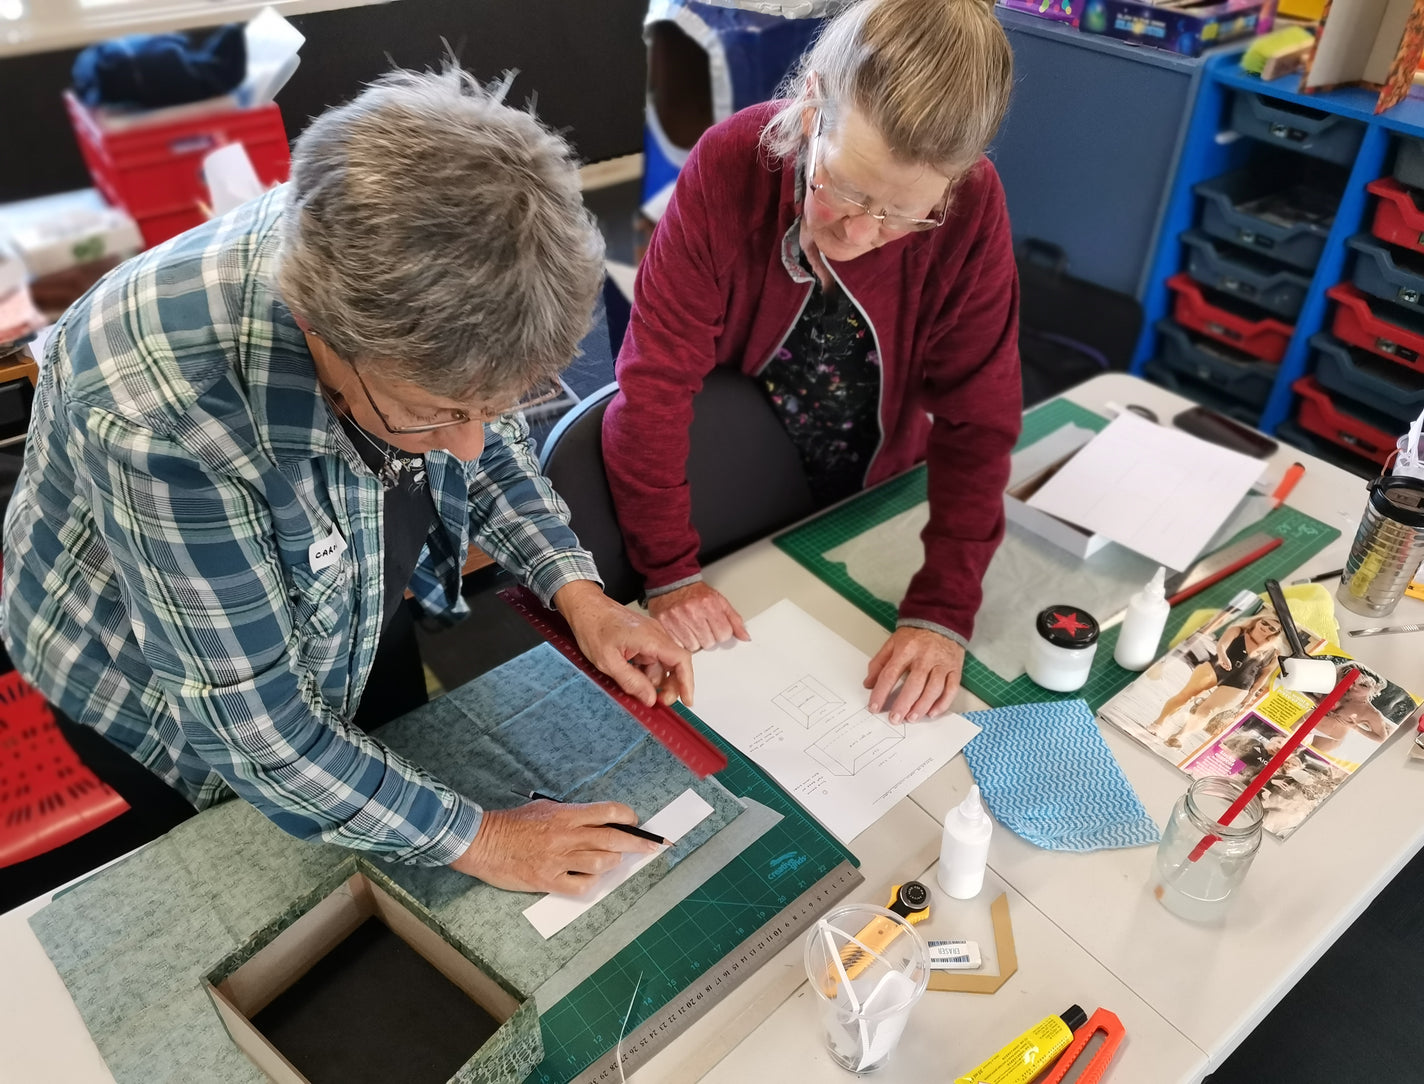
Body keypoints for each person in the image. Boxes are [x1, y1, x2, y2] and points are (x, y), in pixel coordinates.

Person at [0, 67, 693, 898]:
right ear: (319, 326)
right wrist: (482, 839)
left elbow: (480, 439)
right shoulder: (160, 410)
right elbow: (255, 730)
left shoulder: (425, 294)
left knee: (378, 752)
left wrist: (579, 593)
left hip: (347, 577)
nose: (470, 445)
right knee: (261, 885)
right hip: (148, 670)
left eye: (495, 405)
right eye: (434, 412)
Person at [602, 0, 1020, 724]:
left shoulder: (970, 204)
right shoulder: (730, 166)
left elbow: (976, 420)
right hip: (721, 510)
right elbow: (653, 391)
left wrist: (942, 608)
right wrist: (669, 569)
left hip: (868, 497)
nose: (861, 232)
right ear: (809, 109)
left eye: (903, 214)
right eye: (846, 189)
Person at [1148, 613, 1285, 749]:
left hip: (1241, 682)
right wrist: (1223, 656)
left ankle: (1179, 736)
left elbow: (1264, 675)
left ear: (1276, 633)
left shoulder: (1274, 652)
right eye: (1264, 623)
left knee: (1207, 711)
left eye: (1272, 628)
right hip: (1217, 667)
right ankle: (1158, 723)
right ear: (1258, 620)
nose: (1266, 628)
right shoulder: (1238, 631)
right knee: (1186, 696)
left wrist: (1251, 694)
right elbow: (1222, 645)